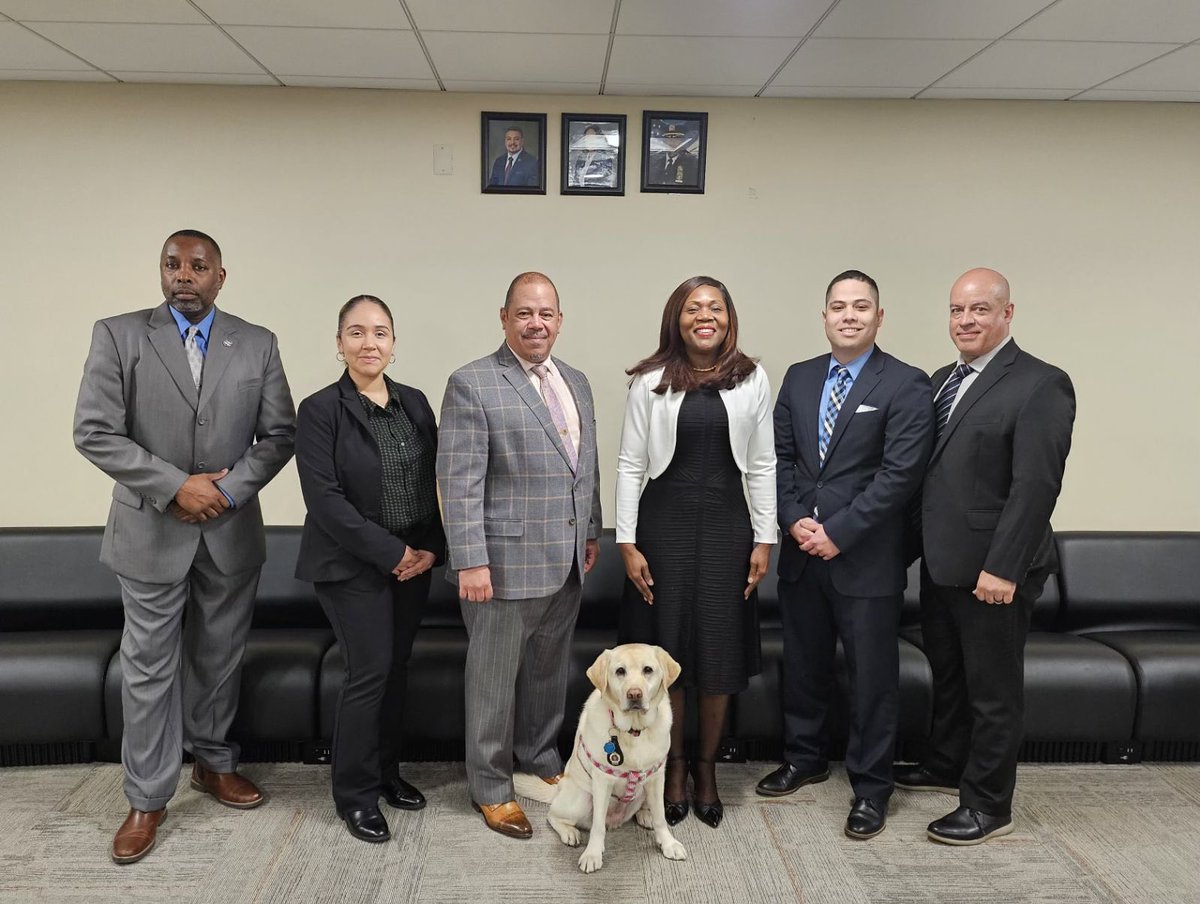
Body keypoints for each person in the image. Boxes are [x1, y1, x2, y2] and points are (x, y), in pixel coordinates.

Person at [73, 229, 295, 864]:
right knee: (148, 667)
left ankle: (214, 763)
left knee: (220, 657)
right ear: (161, 271)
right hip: (149, 531)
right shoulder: (118, 335)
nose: (184, 276)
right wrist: (175, 487)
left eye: (199, 266)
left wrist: (226, 492)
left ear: (221, 276)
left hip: (229, 532)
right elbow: (93, 431)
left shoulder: (257, 343)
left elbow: (280, 434)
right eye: (173, 265)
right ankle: (147, 796)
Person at [896, 268, 1075, 845]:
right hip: (942, 564)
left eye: (978, 310)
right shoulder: (941, 381)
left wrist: (1004, 567)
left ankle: (989, 804)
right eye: (956, 310)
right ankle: (947, 763)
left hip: (995, 571)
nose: (965, 321)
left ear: (1007, 313)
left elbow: (1036, 486)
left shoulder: (1040, 383)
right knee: (950, 677)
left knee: (993, 690)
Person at [755, 270, 934, 840]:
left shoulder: (906, 383)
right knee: (804, 665)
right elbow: (778, 459)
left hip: (865, 559)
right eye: (838, 306)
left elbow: (899, 475)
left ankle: (872, 788)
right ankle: (804, 759)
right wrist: (793, 520)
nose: (849, 315)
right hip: (803, 553)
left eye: (861, 307)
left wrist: (839, 531)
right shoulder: (800, 378)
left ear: (879, 317)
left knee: (871, 679)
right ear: (824, 315)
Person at [436, 271, 602, 840]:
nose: (537, 323)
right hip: (501, 565)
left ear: (560, 320)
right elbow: (458, 481)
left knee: (548, 673)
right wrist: (470, 560)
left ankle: (540, 757)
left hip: (565, 560)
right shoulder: (473, 383)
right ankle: (490, 787)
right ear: (504, 317)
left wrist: (590, 531)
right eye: (525, 313)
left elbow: (583, 466)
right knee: (492, 681)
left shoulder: (576, 381)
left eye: (547, 314)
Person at [616, 275, 776, 829]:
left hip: (729, 529)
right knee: (668, 653)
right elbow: (630, 465)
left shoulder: (752, 379)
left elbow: (762, 464)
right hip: (664, 527)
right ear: (676, 319)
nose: (704, 316)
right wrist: (627, 540)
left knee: (717, 652)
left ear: (729, 318)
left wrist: (764, 537)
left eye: (715, 307)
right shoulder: (650, 381)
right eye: (692, 307)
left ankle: (707, 768)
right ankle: (675, 768)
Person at [294, 295, 445, 844]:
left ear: (394, 344)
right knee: (370, 671)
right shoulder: (319, 410)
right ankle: (355, 795)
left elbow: (436, 480)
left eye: (379, 333)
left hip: (414, 560)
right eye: (355, 333)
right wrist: (391, 553)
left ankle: (385, 773)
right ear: (339, 344)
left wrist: (429, 547)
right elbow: (325, 500)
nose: (368, 343)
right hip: (350, 564)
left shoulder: (415, 403)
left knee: (396, 668)